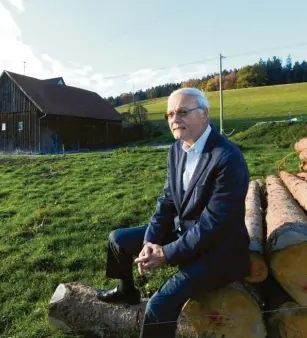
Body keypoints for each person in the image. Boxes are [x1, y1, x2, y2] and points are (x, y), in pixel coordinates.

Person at [96, 87, 250, 338]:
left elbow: (213, 225)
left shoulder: (227, 157)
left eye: (182, 112)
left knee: (159, 305)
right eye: (170, 114)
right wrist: (150, 241)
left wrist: (166, 254)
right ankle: (127, 290)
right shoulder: (176, 150)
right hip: (184, 234)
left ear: (204, 114)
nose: (174, 120)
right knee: (118, 240)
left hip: (220, 252)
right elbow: (166, 202)